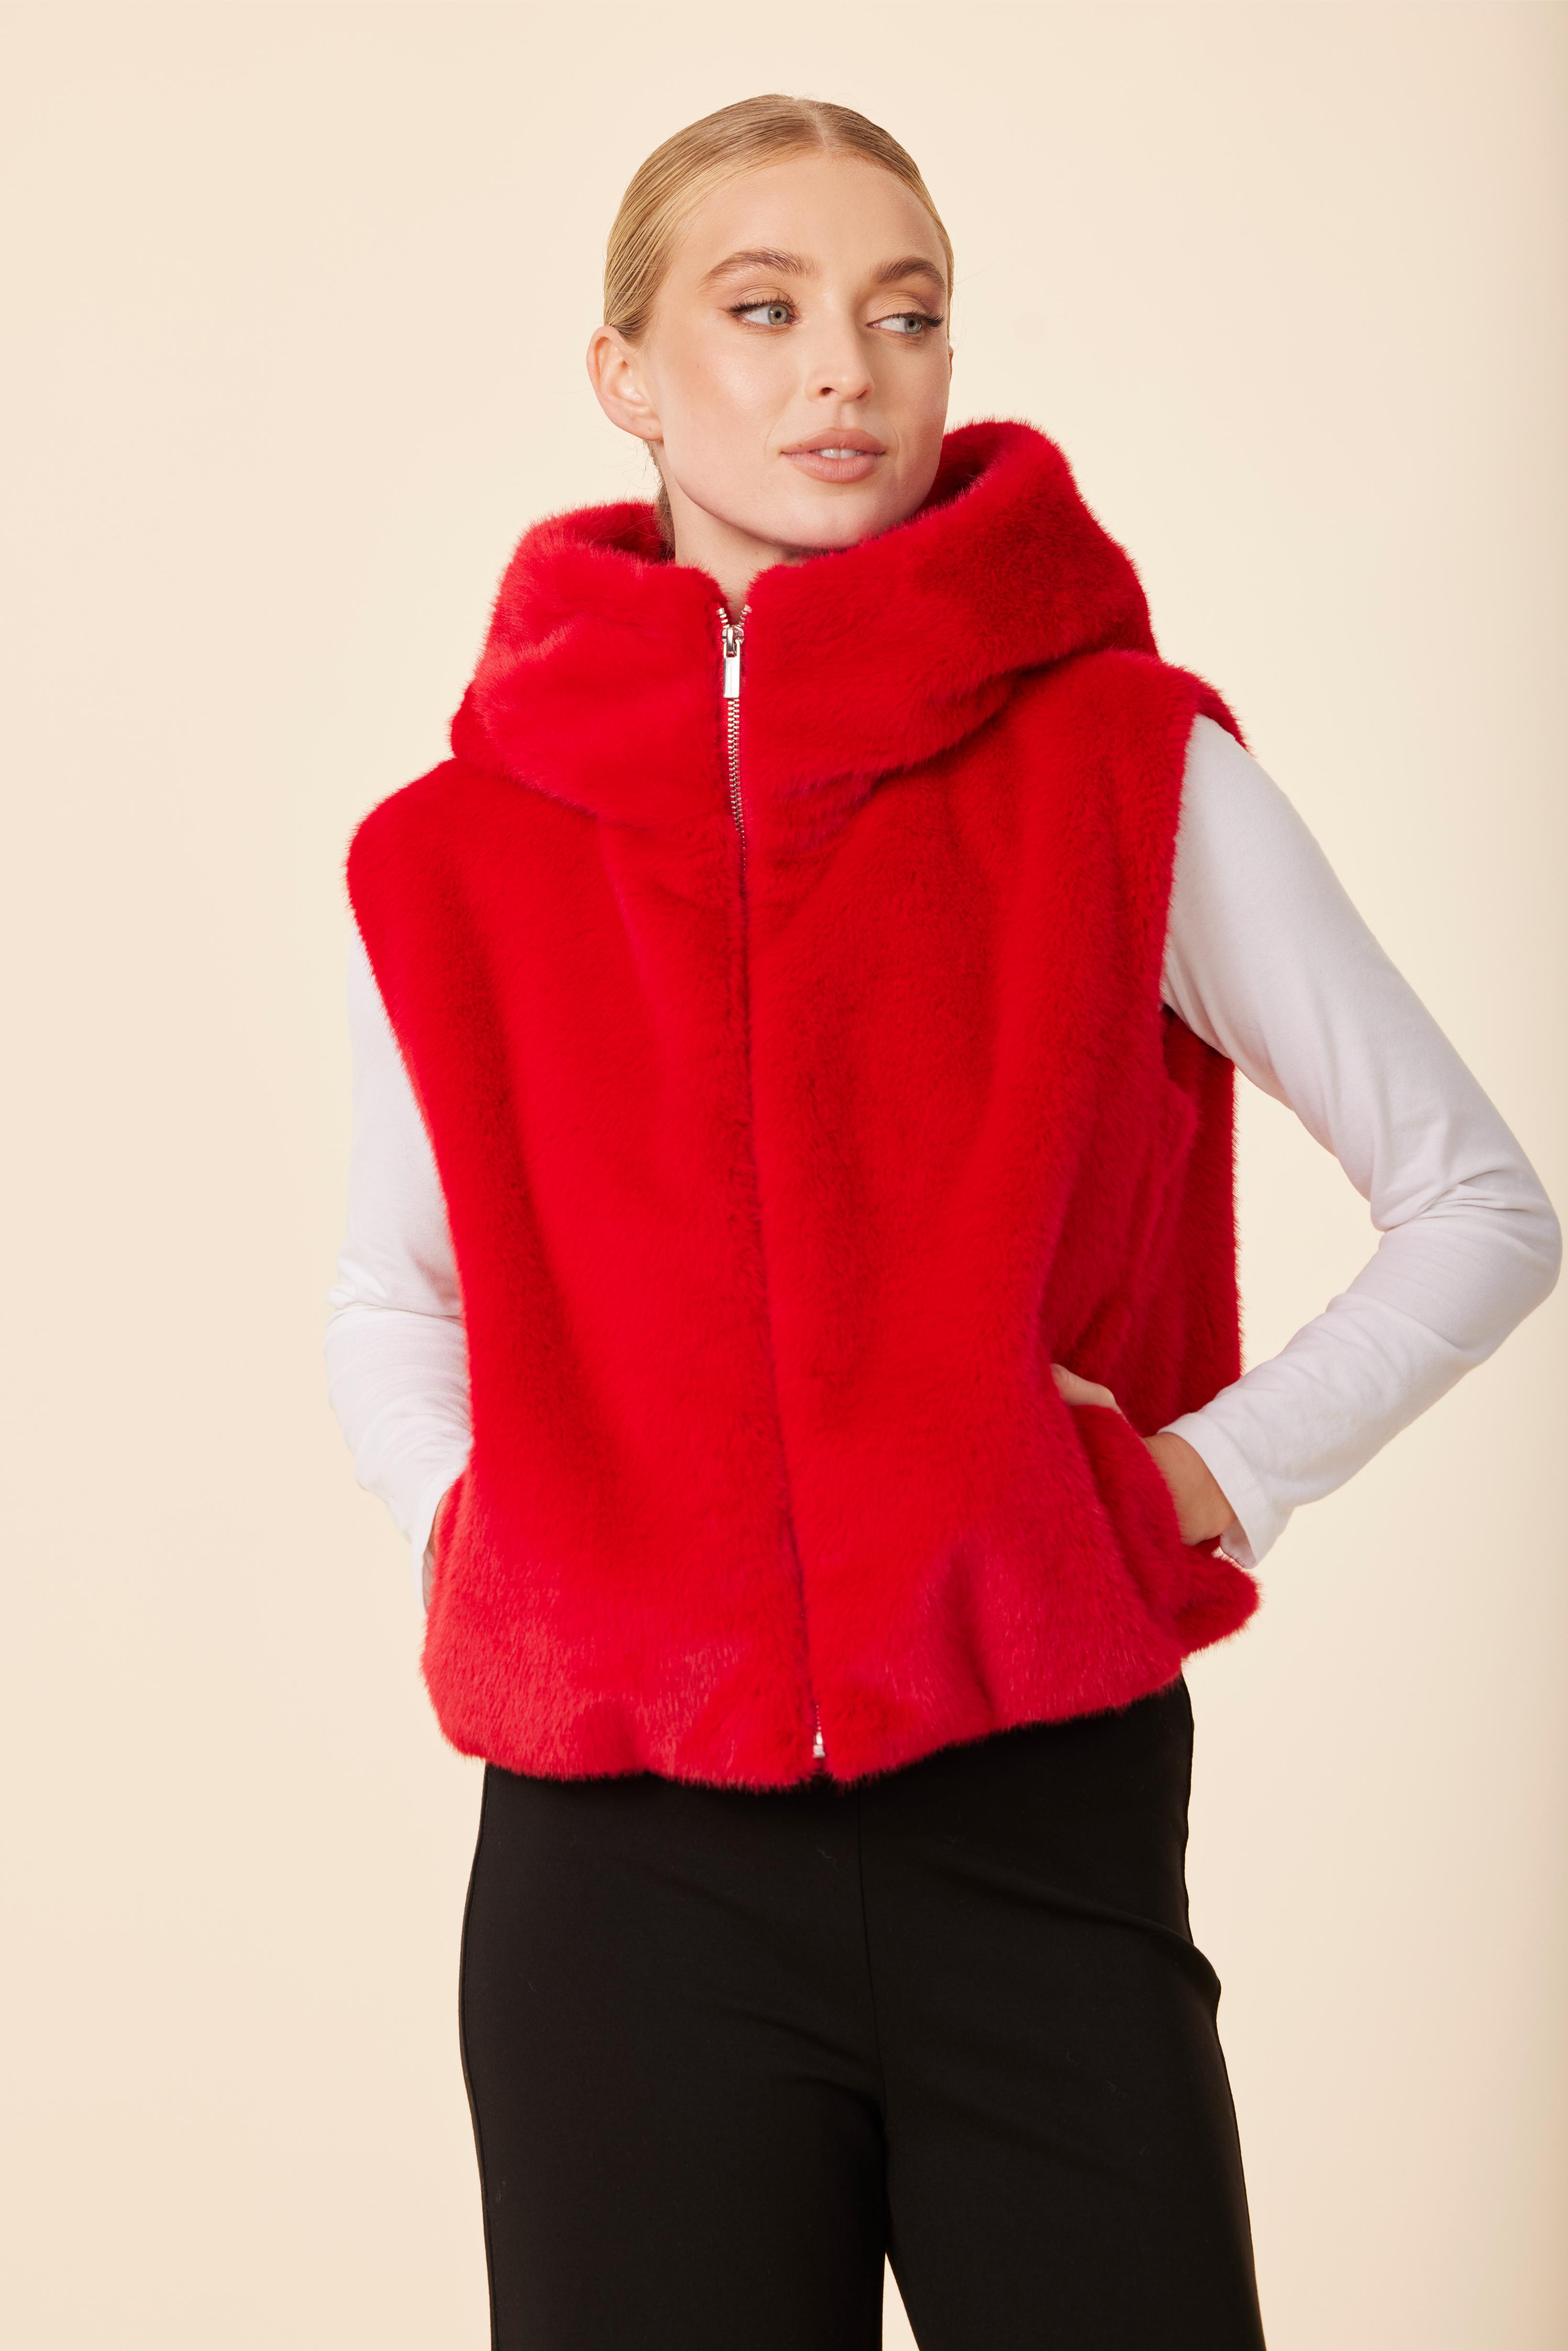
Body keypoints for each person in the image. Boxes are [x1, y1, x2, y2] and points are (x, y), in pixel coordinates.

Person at [324, 94, 1559, 2351]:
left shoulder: (1124, 764)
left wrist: (1195, 1481)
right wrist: (495, 1534)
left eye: (904, 316)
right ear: (624, 372)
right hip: (620, 1869)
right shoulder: (453, 848)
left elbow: (1479, 1200)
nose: (845, 370)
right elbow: (388, 1291)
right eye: (764, 308)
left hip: (1031, 1816)